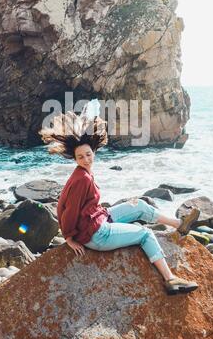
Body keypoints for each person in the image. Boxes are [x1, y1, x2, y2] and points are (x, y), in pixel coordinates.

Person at [39, 108, 200, 295]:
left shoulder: (83, 174)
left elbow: (73, 204)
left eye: (88, 154)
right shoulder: (82, 179)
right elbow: (67, 209)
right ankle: (170, 280)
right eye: (80, 157)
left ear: (94, 152)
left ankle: (179, 224)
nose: (86, 159)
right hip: (97, 235)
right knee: (145, 234)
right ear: (75, 159)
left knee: (138, 205)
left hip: (99, 219)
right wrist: (68, 238)